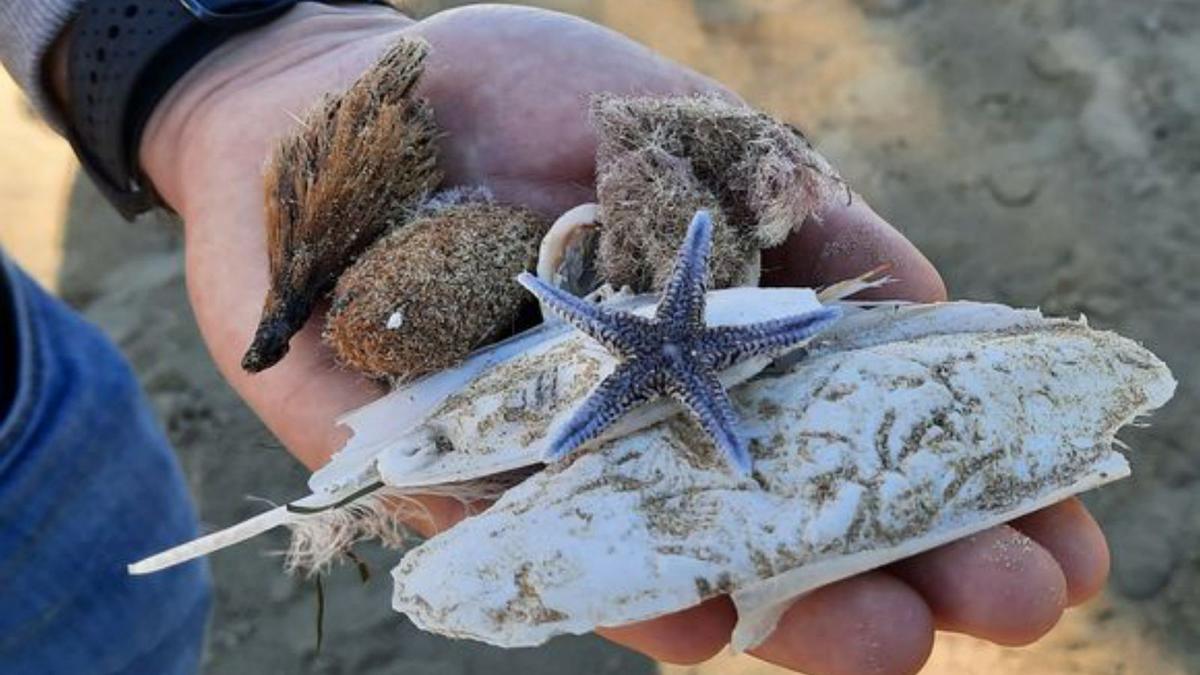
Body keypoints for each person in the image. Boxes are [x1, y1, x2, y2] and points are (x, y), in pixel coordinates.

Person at [0, 2, 1114, 674]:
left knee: (127, 616)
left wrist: (196, 59)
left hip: (32, 432)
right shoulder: (633, 340)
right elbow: (635, 341)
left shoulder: (656, 332)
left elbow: (667, 332)